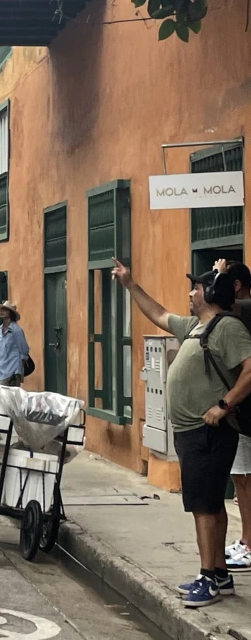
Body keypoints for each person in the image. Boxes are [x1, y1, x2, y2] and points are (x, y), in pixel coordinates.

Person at [113, 261, 251, 607]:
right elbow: (158, 313)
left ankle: (207, 579)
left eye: (196, 288)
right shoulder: (195, 326)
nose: (190, 293)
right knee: (209, 503)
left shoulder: (228, 328)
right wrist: (131, 285)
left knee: (203, 506)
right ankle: (219, 572)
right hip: (193, 432)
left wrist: (223, 405)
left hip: (208, 431)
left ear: (211, 294)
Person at [214, 258, 251, 571]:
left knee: (245, 479)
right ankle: (245, 539)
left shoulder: (245, 310)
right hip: (242, 414)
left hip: (245, 412)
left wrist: (218, 276)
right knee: (240, 479)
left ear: (235, 287)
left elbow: (221, 302)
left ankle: (250, 544)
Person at [0, 300, 30, 386]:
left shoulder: (16, 330)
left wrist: (18, 368)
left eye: (5, 310)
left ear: (10, 313)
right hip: (1, 369)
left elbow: (24, 349)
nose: (2, 312)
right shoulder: (0, 329)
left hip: (12, 370)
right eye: (2, 310)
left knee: (10, 397)